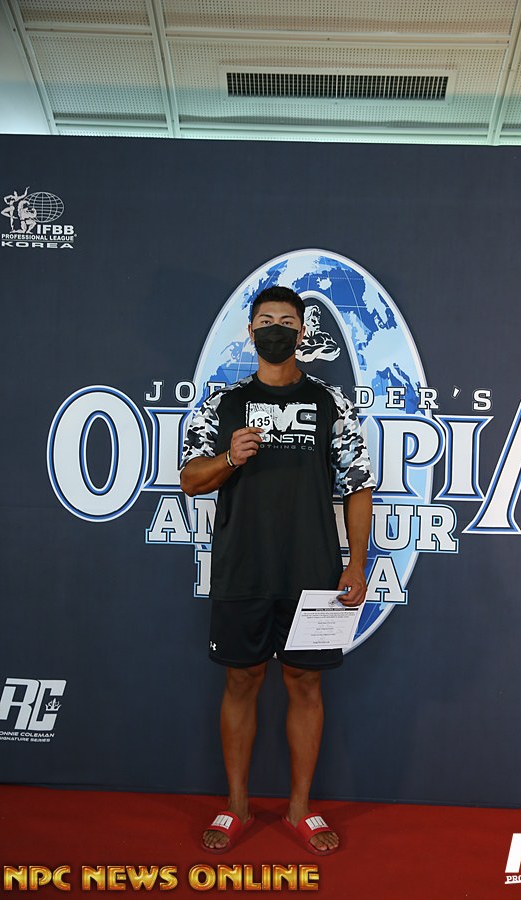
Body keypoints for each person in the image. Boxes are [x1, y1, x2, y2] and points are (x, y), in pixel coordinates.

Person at [180, 285, 375, 855]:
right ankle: (237, 807)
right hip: (241, 568)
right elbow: (190, 479)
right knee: (241, 681)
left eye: (286, 322)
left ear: (301, 333)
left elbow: (358, 485)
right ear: (250, 332)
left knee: (305, 683)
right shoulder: (223, 404)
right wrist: (229, 457)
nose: (275, 329)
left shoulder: (332, 403)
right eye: (265, 320)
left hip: (312, 571)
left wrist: (356, 563)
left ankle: (300, 810)